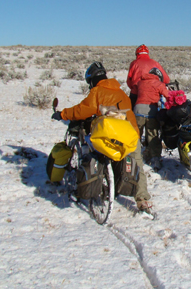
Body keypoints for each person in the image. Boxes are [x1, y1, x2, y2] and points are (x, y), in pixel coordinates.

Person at [52, 61, 154, 218]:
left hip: (110, 135)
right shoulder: (120, 92)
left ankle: (95, 186)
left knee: (94, 149)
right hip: (130, 135)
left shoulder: (97, 92)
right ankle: (142, 200)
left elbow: (81, 111)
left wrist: (63, 114)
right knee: (136, 162)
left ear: (92, 80)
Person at [134, 68, 171, 171]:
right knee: (153, 135)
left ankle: (134, 158)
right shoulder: (158, 84)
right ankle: (155, 160)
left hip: (138, 110)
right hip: (151, 111)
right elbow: (168, 96)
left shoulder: (140, 82)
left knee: (136, 135)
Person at [126, 44, 170, 113]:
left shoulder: (134, 63)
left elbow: (129, 81)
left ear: (137, 54)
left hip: (136, 93)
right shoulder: (155, 63)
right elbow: (166, 79)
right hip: (151, 96)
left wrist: (134, 88)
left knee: (130, 115)